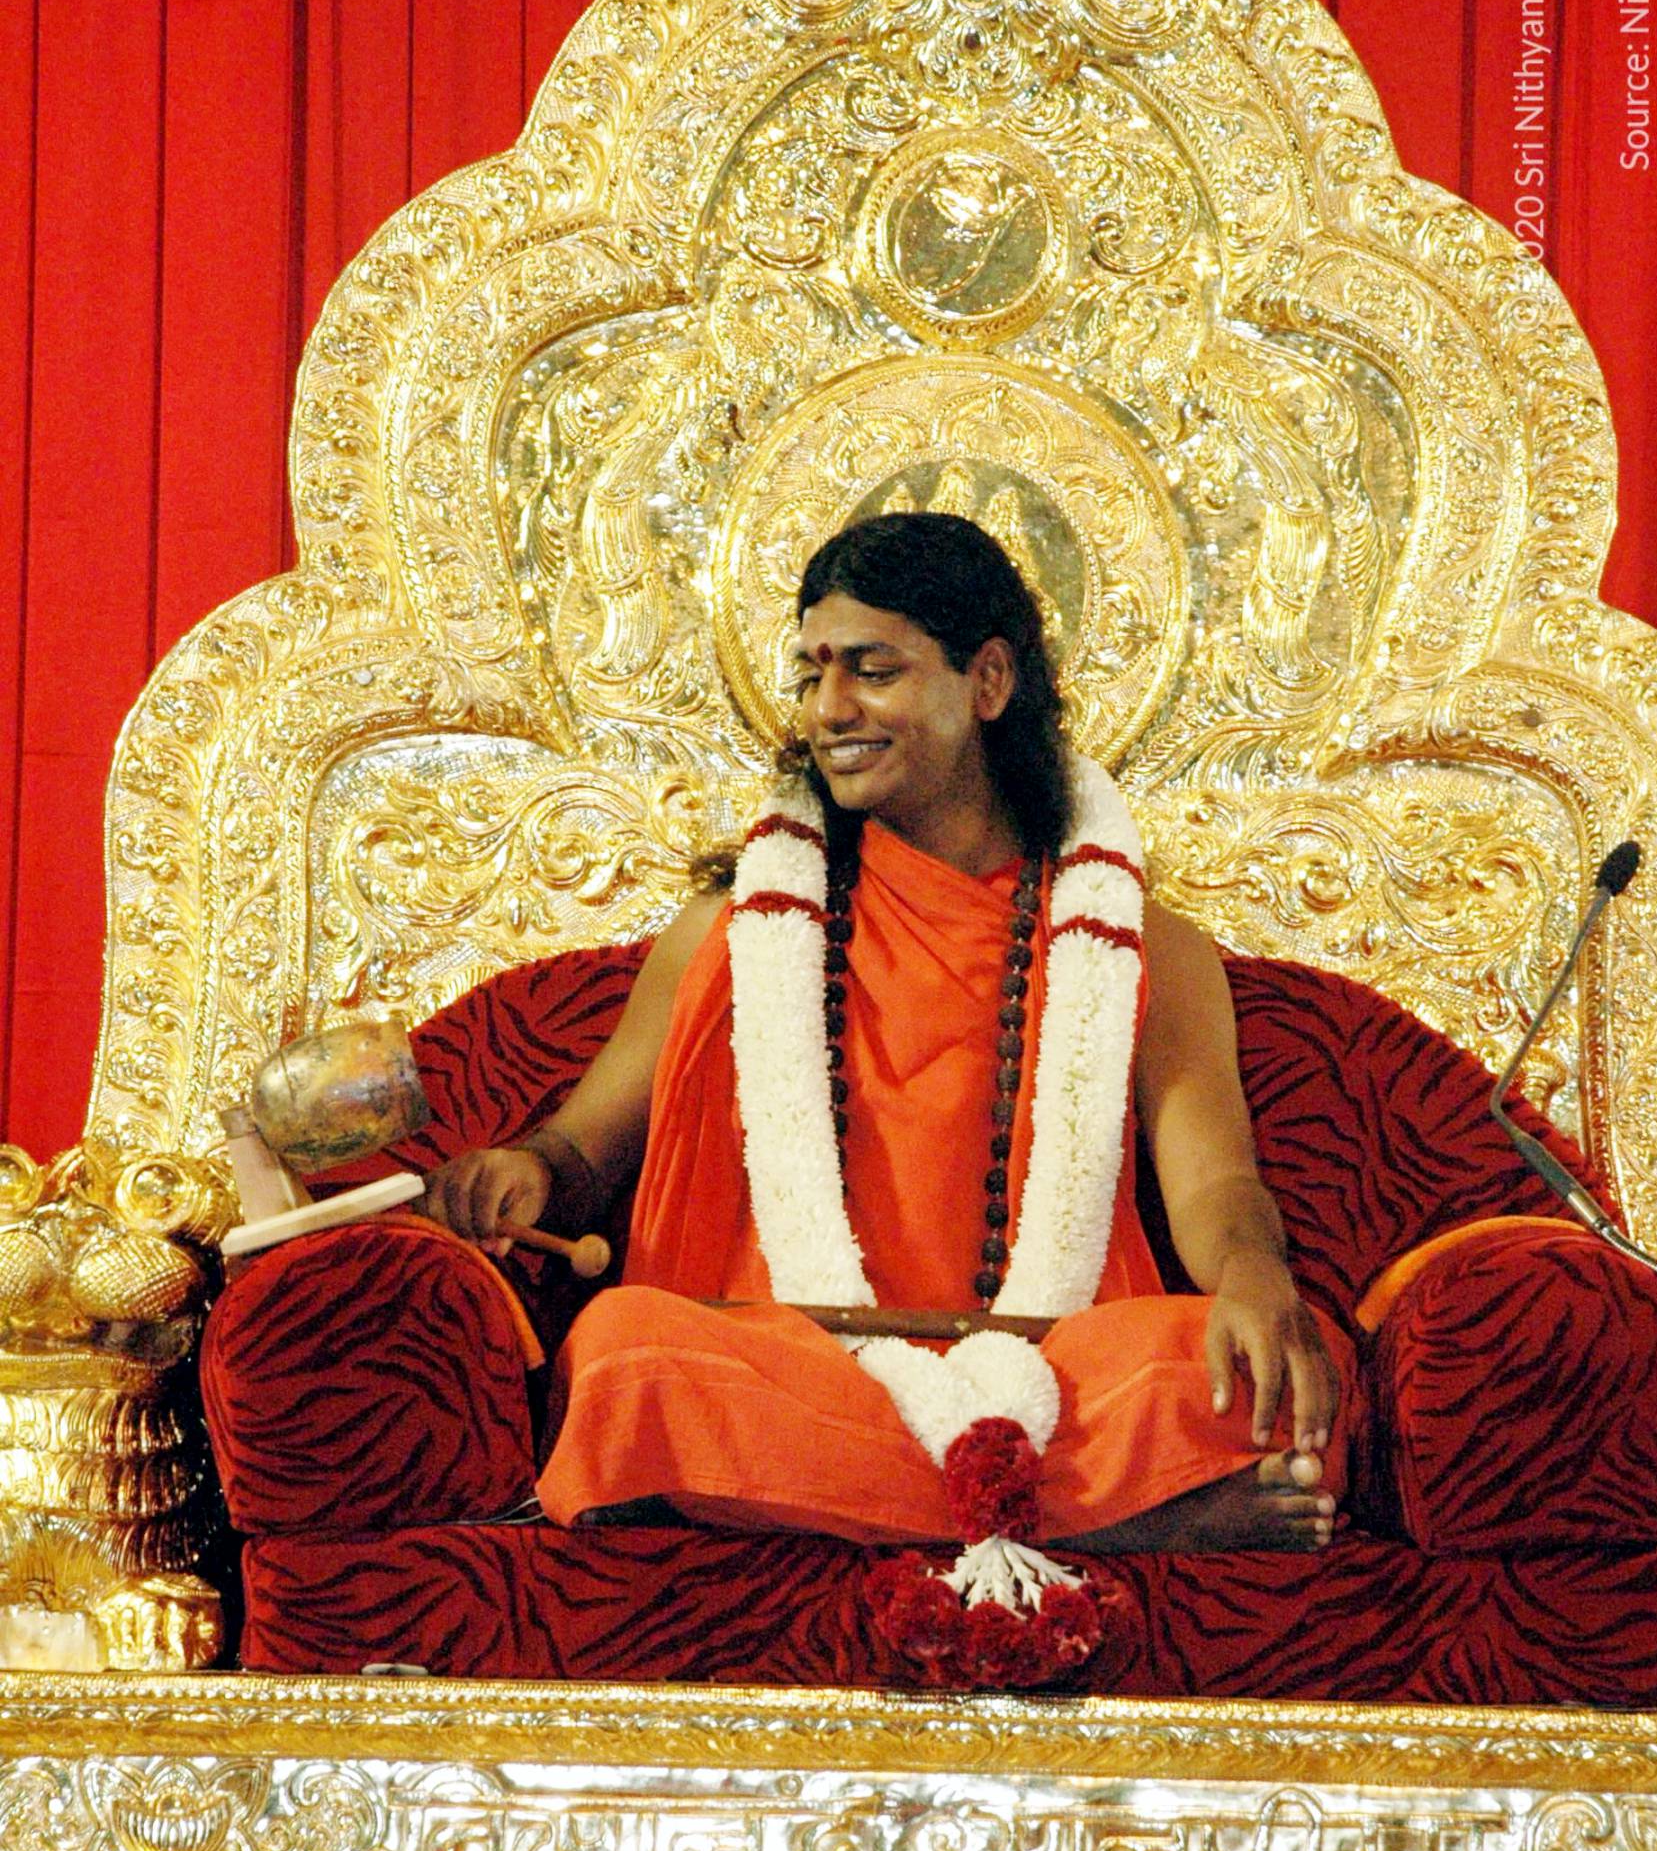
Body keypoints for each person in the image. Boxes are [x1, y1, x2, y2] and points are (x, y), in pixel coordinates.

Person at [424, 512, 1350, 1556]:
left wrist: (1255, 1275)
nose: (830, 708)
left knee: (1279, 1374)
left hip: (1054, 1371)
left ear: (987, 682)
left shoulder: (1138, 942)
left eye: (872, 670)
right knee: (624, 1359)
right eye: (813, 672)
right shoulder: (732, 930)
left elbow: (1214, 1183)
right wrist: (526, 1174)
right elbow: (583, 1151)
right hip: (804, 1366)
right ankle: (1107, 1520)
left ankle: (863, 1502)